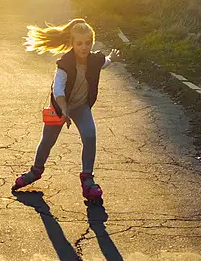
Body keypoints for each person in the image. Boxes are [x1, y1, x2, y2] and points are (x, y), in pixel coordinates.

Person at [12, 18, 122, 204]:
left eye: (88, 43)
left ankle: (87, 180)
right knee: (47, 141)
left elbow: (105, 63)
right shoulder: (64, 64)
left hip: (80, 107)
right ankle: (35, 171)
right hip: (60, 107)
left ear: (92, 42)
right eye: (79, 43)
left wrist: (112, 57)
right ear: (72, 43)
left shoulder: (95, 60)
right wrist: (64, 110)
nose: (84, 47)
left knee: (90, 135)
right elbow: (58, 90)